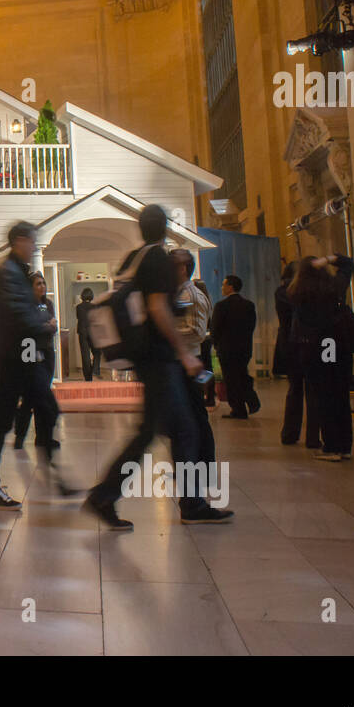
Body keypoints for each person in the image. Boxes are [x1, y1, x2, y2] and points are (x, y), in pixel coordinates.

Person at [83, 205, 234, 529]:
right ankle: (188, 504)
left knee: (154, 432)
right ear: (165, 228)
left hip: (145, 358)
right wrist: (185, 354)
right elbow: (157, 309)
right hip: (160, 359)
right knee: (182, 430)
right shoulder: (158, 260)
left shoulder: (133, 259)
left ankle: (106, 496)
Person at [0, 223, 58, 511]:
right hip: (15, 361)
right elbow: (20, 316)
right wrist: (44, 326)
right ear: (19, 241)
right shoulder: (10, 274)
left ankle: (50, 472)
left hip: (20, 359)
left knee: (40, 410)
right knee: (4, 423)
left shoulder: (15, 272)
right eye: (32, 242)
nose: (35, 247)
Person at [288, 253, 354, 461]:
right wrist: (328, 259)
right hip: (338, 345)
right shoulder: (335, 287)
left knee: (324, 396)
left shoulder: (297, 292)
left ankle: (331, 446)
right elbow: (348, 264)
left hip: (315, 347)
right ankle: (345, 446)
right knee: (341, 395)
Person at [11, 273, 68, 487]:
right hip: (31, 352)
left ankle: (44, 437)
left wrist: (46, 326)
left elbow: (53, 326)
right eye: (38, 283)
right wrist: (45, 326)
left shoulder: (48, 304)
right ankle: (20, 435)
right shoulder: (27, 306)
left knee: (42, 394)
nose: (42, 286)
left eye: (44, 283)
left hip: (47, 352)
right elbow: (32, 329)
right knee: (31, 397)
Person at [171, 248, 218, 468]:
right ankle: (188, 463)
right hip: (179, 362)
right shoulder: (178, 294)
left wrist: (167, 334)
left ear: (181, 268)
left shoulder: (192, 295)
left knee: (196, 416)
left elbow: (197, 331)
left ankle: (204, 464)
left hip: (188, 363)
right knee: (184, 418)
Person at [275, 262, 315, 446]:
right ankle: (313, 437)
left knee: (294, 389)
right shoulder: (306, 294)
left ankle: (290, 433)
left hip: (289, 344)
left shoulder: (281, 292)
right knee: (313, 390)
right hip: (309, 344)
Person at [210, 274, 259, 419]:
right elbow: (251, 326)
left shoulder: (221, 306)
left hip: (226, 349)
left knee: (231, 380)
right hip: (244, 348)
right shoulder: (248, 305)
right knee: (242, 375)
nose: (222, 287)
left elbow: (215, 329)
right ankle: (251, 400)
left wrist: (217, 344)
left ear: (230, 286)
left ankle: (239, 409)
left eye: (224, 284)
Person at [195, 279, 216, 406]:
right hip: (207, 339)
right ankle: (210, 394)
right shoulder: (207, 301)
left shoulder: (197, 301)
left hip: (200, 339)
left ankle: (204, 394)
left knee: (202, 369)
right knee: (208, 368)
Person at [74, 287, 97, 381]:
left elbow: (78, 317)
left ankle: (88, 377)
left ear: (82, 296)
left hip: (82, 332)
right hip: (93, 332)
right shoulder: (95, 306)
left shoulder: (78, 307)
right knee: (96, 353)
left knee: (85, 355)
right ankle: (93, 369)